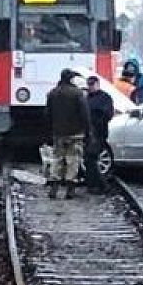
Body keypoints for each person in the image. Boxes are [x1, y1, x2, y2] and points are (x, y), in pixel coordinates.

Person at [45, 69, 90, 199]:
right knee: (73, 160)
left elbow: (47, 114)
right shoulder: (77, 93)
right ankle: (70, 189)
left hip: (58, 133)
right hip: (75, 133)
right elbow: (85, 114)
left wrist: (49, 131)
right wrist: (88, 130)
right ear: (71, 79)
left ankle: (54, 187)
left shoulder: (52, 93)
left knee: (57, 159)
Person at [84, 76, 114, 195]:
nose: (90, 87)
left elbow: (108, 114)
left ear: (97, 84)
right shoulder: (87, 98)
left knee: (91, 158)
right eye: (89, 85)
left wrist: (97, 118)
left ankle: (102, 185)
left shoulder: (105, 98)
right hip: (89, 132)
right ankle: (93, 185)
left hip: (99, 132)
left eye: (92, 84)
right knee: (89, 159)